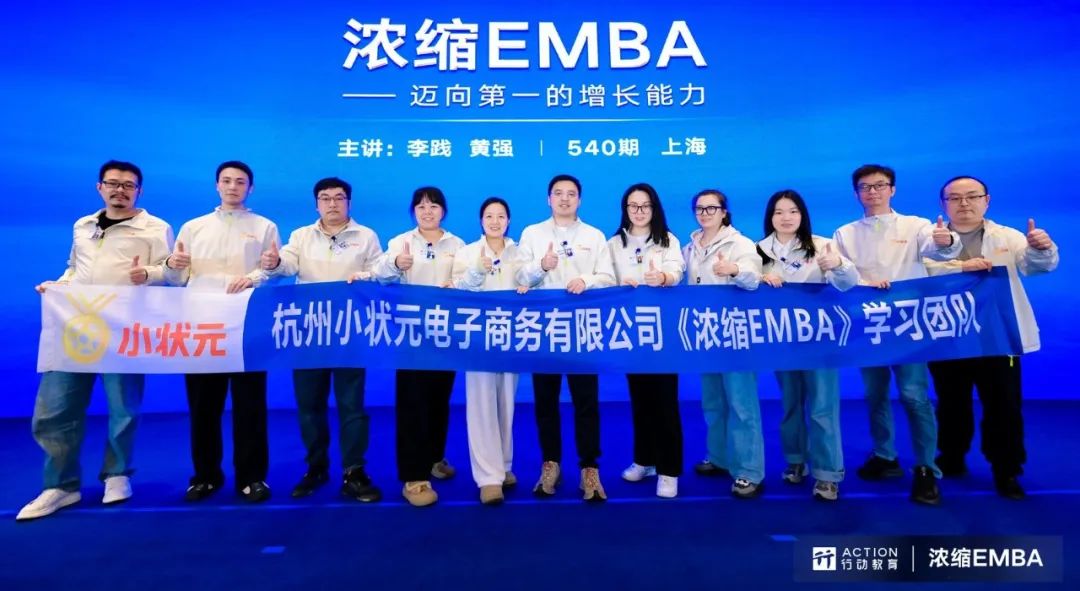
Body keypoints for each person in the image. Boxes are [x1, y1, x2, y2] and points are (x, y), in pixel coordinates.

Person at [17, 160, 173, 521]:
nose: (120, 190)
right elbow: (75, 269)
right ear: (99, 187)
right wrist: (58, 286)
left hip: (124, 329)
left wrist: (148, 273)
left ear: (139, 191)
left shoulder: (155, 228)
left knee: (123, 408)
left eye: (128, 185)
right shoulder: (83, 226)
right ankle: (60, 486)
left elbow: (172, 273)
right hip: (76, 327)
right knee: (55, 409)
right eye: (113, 183)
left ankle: (117, 475)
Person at [831, 163, 961, 506]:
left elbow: (938, 248)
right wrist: (863, 283)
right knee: (874, 395)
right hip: (869, 326)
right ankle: (885, 455)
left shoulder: (916, 226)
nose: (872, 192)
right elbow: (841, 278)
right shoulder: (845, 233)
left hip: (908, 326)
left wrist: (947, 241)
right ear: (857, 193)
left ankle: (926, 469)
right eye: (865, 187)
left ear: (892, 189)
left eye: (879, 185)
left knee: (914, 396)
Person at [924, 175, 1058, 499]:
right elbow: (923, 272)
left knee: (1004, 406)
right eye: (955, 198)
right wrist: (960, 267)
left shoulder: (1007, 236)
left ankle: (1007, 469)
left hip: (998, 338)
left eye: (972, 196)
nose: (964, 203)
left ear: (987, 201)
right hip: (949, 336)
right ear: (943, 204)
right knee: (951, 404)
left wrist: (1042, 249)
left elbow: (1035, 266)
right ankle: (952, 456)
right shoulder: (929, 239)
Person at [164, 160, 280, 503]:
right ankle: (205, 477)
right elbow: (177, 279)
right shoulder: (193, 227)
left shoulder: (265, 227)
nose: (233, 187)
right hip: (202, 327)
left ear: (250, 188)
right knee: (203, 407)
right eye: (226, 181)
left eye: (240, 182)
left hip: (247, 328)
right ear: (217, 185)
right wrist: (172, 266)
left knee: (250, 407)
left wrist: (256, 276)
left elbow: (273, 271)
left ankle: (252, 477)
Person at [261, 177, 384, 502]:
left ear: (349, 203)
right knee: (309, 405)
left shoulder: (366, 236)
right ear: (316, 204)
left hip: (349, 332)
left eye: (339, 198)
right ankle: (316, 468)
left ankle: (354, 471)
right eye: (325, 198)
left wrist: (368, 276)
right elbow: (287, 264)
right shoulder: (302, 235)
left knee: (352, 406)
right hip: (309, 333)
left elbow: (381, 272)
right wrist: (274, 263)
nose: (332, 204)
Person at [517, 174, 616, 501]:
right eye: (558, 193)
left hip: (582, 328)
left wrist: (586, 280)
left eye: (571, 194)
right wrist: (541, 266)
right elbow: (520, 277)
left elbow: (608, 277)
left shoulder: (594, 235)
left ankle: (590, 468)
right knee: (545, 401)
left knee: (586, 402)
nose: (564, 199)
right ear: (548, 199)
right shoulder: (532, 233)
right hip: (543, 328)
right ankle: (551, 463)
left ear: (579, 199)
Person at [756, 189, 859, 501]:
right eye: (778, 212)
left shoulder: (822, 245)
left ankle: (827, 474)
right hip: (782, 341)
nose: (786, 218)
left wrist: (838, 264)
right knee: (790, 404)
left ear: (802, 215)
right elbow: (746, 288)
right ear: (770, 217)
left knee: (822, 407)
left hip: (820, 341)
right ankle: (795, 459)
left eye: (793, 211)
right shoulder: (759, 250)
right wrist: (758, 279)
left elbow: (848, 284)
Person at [372, 186, 465, 506]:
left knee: (439, 400)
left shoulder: (457, 244)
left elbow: (468, 282)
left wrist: (458, 284)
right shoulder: (401, 241)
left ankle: (434, 458)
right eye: (421, 206)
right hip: (411, 335)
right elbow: (380, 276)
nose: (428, 211)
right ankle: (414, 477)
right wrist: (396, 263)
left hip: (445, 335)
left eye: (434, 206)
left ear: (443, 211)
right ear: (413, 211)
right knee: (413, 403)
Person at [451, 197, 537, 505]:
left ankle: (503, 464)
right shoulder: (467, 252)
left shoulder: (520, 252)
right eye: (489, 216)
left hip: (511, 336)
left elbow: (531, 280)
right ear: (481, 220)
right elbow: (458, 289)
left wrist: (532, 280)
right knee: (481, 405)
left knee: (506, 403)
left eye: (501, 216)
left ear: (509, 221)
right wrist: (477, 270)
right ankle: (488, 478)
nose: (495, 221)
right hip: (478, 338)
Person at [683, 189, 765, 498]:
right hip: (705, 334)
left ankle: (749, 471)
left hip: (735, 335)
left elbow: (754, 279)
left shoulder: (740, 244)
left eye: (711, 208)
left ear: (724, 212)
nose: (705, 214)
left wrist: (735, 270)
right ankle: (719, 457)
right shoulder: (689, 248)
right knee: (713, 401)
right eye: (700, 209)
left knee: (742, 404)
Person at [607, 183, 686, 498]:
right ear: (625, 209)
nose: (639, 211)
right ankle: (645, 459)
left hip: (662, 332)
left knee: (665, 401)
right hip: (630, 331)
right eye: (633, 206)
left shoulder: (668, 240)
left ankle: (669, 470)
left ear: (654, 208)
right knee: (640, 399)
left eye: (645, 206)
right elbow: (604, 277)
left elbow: (677, 269)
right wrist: (618, 284)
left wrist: (663, 277)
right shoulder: (614, 243)